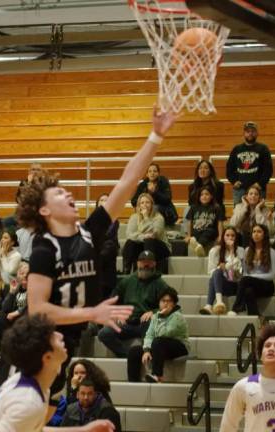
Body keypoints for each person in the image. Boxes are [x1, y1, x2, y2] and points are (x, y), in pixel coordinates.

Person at [17, 107, 175, 401]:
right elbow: (37, 309)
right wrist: (93, 312)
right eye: (60, 194)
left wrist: (156, 136)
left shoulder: (89, 234)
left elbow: (127, 182)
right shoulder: (44, 248)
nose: (70, 195)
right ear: (44, 210)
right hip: (35, 345)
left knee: (44, 413)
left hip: (65, 345)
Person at [0, 314, 114, 432]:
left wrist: (84, 430)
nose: (60, 335)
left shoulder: (38, 386)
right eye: (53, 337)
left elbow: (34, 428)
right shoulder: (27, 400)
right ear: (46, 357)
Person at [98, 250, 169, 358]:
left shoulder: (160, 284)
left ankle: (146, 352)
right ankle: (127, 356)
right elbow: (113, 300)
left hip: (146, 324)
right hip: (127, 323)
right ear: (137, 263)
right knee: (104, 333)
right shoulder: (127, 281)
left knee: (149, 321)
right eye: (143, 262)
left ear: (154, 264)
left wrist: (154, 312)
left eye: (149, 262)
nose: (145, 265)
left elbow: (168, 306)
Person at [127, 287, 189, 383]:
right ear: (159, 302)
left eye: (169, 301)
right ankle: (133, 383)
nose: (166, 303)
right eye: (163, 301)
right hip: (159, 348)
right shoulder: (155, 316)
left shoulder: (177, 316)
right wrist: (146, 350)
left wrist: (160, 317)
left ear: (174, 303)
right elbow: (149, 334)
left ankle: (157, 375)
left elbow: (165, 333)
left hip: (179, 347)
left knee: (158, 341)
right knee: (134, 351)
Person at [231, 224, 275, 319]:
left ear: (264, 235)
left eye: (259, 232)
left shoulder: (271, 251)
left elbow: (272, 275)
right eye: (254, 232)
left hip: (267, 285)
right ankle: (257, 318)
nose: (256, 234)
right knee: (248, 291)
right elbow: (245, 272)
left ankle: (237, 307)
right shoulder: (247, 250)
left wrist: (253, 277)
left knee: (245, 280)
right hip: (251, 283)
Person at [226, 121, 273, 205]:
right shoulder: (236, 149)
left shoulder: (263, 149)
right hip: (240, 189)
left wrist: (260, 183)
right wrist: (234, 181)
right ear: (244, 133)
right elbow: (229, 168)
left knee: (258, 213)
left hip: (258, 188)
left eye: (253, 131)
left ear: (257, 133)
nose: (250, 134)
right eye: (248, 131)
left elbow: (268, 169)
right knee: (239, 215)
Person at [122, 193, 171, 274]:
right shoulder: (134, 217)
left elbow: (155, 234)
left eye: (147, 202)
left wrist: (146, 217)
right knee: (130, 242)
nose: (145, 205)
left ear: (152, 205)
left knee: (149, 240)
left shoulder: (158, 217)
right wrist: (144, 236)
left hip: (160, 247)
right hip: (142, 245)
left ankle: (148, 271)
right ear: (139, 205)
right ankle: (126, 271)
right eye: (142, 203)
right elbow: (130, 234)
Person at [201, 226, 244, 315]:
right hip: (220, 285)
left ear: (236, 238)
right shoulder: (214, 251)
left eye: (233, 236)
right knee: (216, 272)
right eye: (227, 235)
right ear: (223, 237)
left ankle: (209, 304)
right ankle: (218, 302)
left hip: (234, 285)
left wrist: (232, 252)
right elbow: (210, 272)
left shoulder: (240, 250)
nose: (230, 238)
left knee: (218, 273)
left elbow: (239, 274)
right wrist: (221, 269)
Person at [184, 186, 225, 257]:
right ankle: (199, 248)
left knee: (209, 232)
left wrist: (220, 236)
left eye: (207, 194)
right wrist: (189, 235)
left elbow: (220, 223)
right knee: (195, 234)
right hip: (197, 230)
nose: (204, 196)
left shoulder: (217, 208)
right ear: (199, 197)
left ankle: (199, 245)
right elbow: (189, 222)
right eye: (202, 195)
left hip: (210, 231)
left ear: (211, 196)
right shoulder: (193, 207)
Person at [96, 194, 120, 300]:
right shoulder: (92, 221)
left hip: (107, 253)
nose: (104, 202)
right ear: (97, 204)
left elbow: (108, 236)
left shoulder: (114, 220)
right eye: (101, 200)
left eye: (106, 200)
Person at [1, 262, 29, 327]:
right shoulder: (17, 288)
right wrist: (11, 292)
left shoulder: (34, 288)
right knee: (2, 315)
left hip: (25, 317)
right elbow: (4, 308)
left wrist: (16, 313)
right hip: (14, 319)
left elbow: (30, 306)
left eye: (27, 274)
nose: (25, 276)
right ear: (17, 276)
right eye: (22, 273)